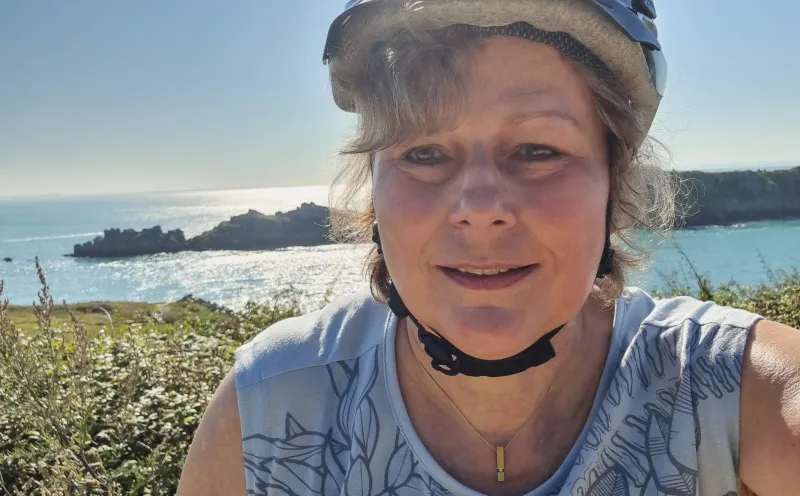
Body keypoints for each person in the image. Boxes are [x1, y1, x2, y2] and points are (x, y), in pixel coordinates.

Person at [178, 1, 800, 494]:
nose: (479, 208)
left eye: (537, 151)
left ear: (615, 186)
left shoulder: (732, 391)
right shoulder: (270, 405)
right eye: (422, 153)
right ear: (374, 194)